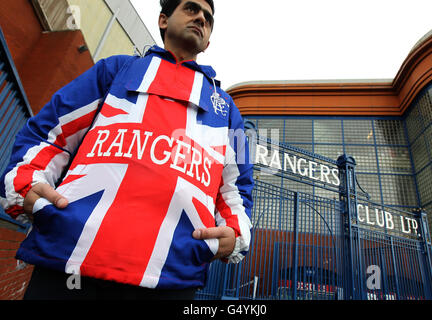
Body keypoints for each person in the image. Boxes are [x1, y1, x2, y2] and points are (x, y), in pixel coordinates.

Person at [0, 0, 253, 300]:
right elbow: (51, 132)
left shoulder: (226, 109)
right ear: (163, 20)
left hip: (171, 280)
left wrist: (236, 233)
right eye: (190, 8)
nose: (200, 17)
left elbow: (236, 190)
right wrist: (26, 182)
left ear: (208, 41)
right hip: (69, 262)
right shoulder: (116, 69)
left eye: (208, 18)